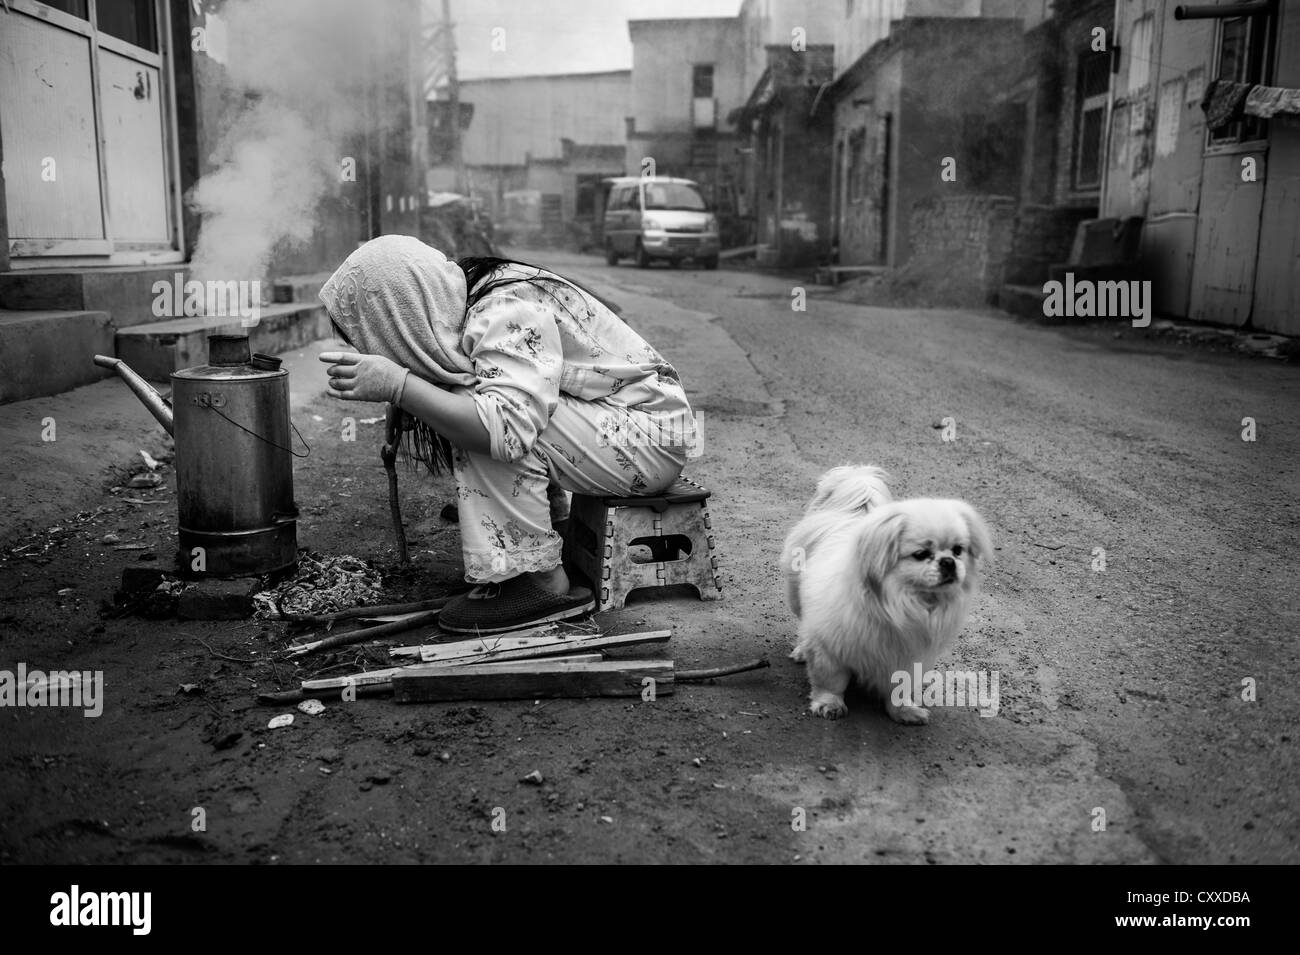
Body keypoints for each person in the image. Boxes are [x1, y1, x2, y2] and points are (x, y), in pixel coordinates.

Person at [317, 235, 696, 634]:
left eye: (372, 336)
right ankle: (549, 536)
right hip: (625, 428)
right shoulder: (476, 296)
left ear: (398, 315)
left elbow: (506, 427)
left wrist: (400, 385)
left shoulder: (503, 309)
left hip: (648, 439)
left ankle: (541, 582)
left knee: (488, 416)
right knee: (481, 404)